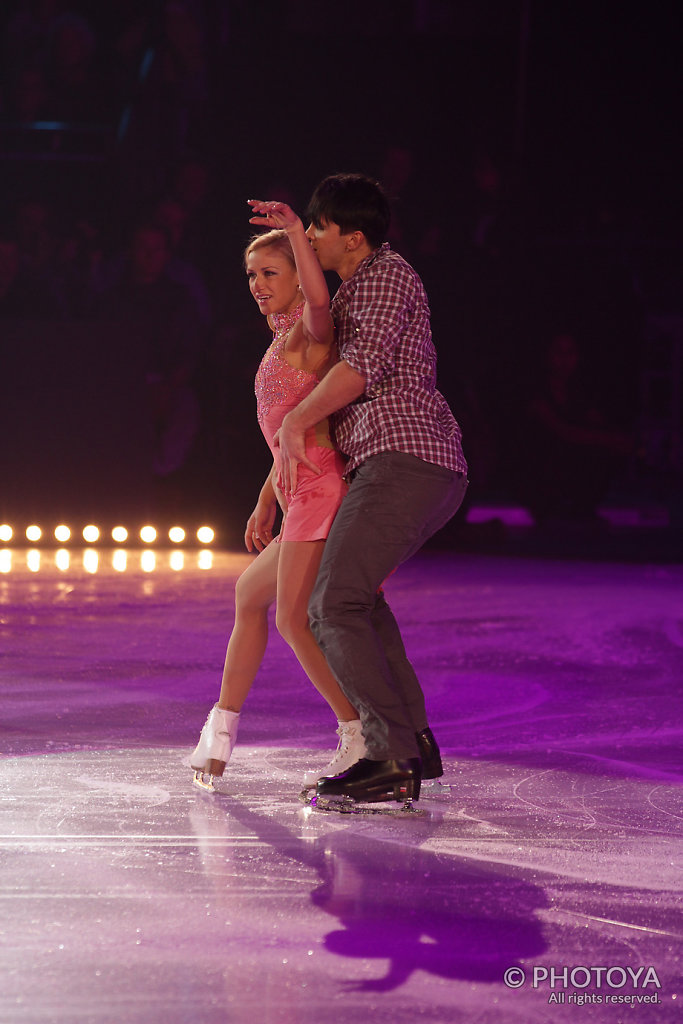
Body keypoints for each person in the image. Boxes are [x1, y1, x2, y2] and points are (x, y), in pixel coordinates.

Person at [275, 173, 469, 807]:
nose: (309, 233)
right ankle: (410, 743)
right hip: (391, 465)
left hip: (407, 458)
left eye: (317, 226)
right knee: (359, 604)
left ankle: (388, 756)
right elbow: (316, 305)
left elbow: (362, 369)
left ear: (352, 238)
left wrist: (298, 419)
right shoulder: (358, 284)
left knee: (331, 605)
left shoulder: (387, 275)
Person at [191, 200, 366, 791]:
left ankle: (359, 735)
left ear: (298, 274)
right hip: (297, 495)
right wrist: (266, 497)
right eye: (251, 276)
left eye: (270, 273)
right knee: (248, 594)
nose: (257, 285)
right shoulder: (277, 344)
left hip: (321, 493)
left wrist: (293, 230)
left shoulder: (312, 335)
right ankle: (220, 730)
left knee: (294, 619)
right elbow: (289, 435)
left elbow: (321, 303)